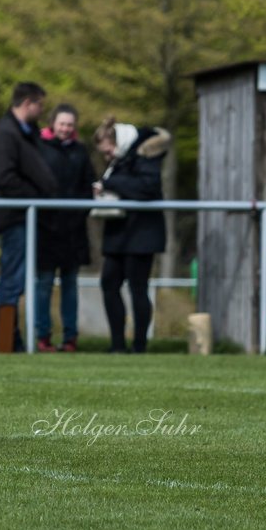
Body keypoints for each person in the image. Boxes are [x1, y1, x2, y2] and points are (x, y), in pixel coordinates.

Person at [0, 81, 57, 350]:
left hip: (29, 217)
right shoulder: (6, 134)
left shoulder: (27, 133)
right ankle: (5, 340)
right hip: (16, 217)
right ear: (28, 103)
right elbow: (4, 176)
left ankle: (13, 339)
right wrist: (35, 197)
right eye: (40, 104)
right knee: (12, 280)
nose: (42, 110)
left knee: (19, 279)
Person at [92, 116, 170, 353]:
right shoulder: (121, 160)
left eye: (109, 151)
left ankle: (139, 345)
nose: (108, 157)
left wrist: (110, 183)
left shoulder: (146, 153)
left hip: (142, 235)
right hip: (119, 233)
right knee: (109, 283)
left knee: (138, 288)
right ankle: (117, 344)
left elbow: (148, 188)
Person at [35, 104, 96, 352]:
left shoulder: (80, 152)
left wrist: (78, 214)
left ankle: (70, 337)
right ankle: (42, 335)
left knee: (70, 284)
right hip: (46, 229)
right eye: (62, 123)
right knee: (44, 283)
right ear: (53, 123)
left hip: (73, 230)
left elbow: (88, 187)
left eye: (70, 124)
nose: (65, 128)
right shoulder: (39, 148)